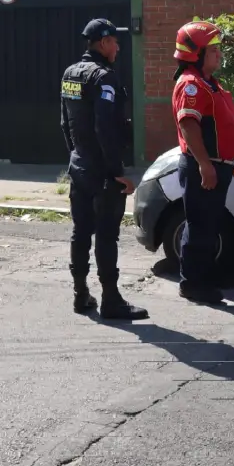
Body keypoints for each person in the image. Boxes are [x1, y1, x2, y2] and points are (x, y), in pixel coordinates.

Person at [60, 18, 148, 321]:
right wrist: (115, 172)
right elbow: (104, 127)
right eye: (115, 42)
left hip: (79, 167)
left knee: (81, 232)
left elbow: (65, 124)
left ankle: (80, 293)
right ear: (103, 43)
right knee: (107, 235)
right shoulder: (104, 78)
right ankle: (111, 299)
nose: (119, 47)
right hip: (101, 172)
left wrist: (76, 157)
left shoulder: (70, 74)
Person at [171, 21, 234, 304]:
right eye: (213, 50)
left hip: (216, 165)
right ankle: (192, 284)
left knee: (209, 226)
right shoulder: (190, 85)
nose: (219, 55)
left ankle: (204, 277)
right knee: (199, 227)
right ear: (196, 53)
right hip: (205, 166)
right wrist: (205, 165)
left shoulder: (208, 83)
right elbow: (189, 125)